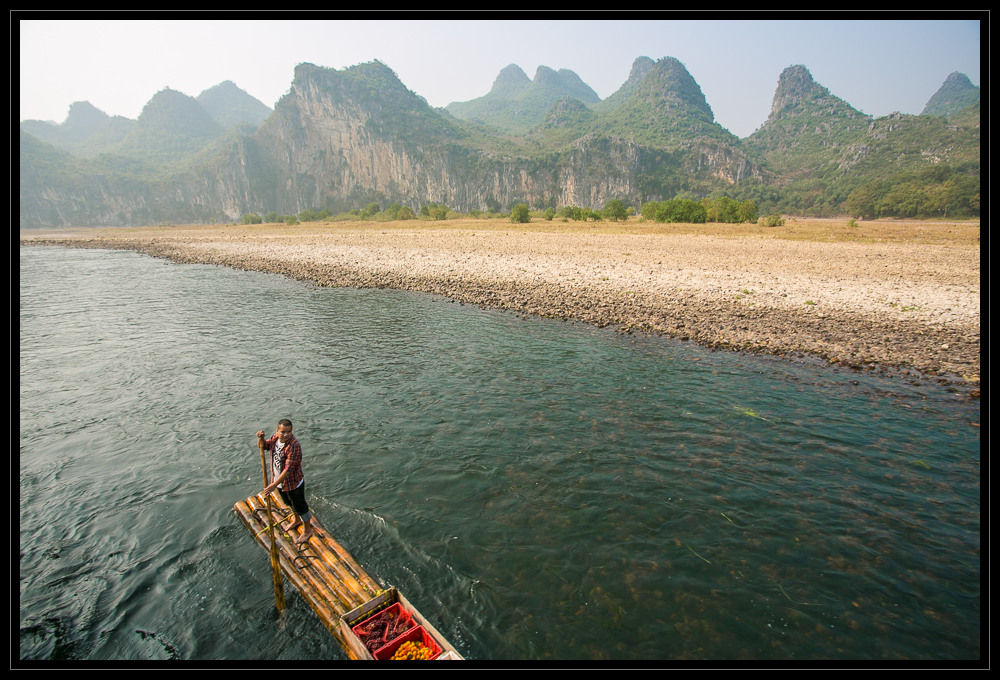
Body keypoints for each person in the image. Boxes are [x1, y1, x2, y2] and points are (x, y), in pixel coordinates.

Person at [257, 419, 315, 545]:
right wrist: (261, 439)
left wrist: (272, 485)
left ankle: (307, 530)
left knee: (301, 507)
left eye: (288, 432)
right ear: (277, 431)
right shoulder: (275, 439)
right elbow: (264, 446)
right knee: (288, 503)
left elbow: (288, 470)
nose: (285, 435)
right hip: (279, 483)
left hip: (293, 483)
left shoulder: (294, 446)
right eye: (283, 432)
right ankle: (296, 520)